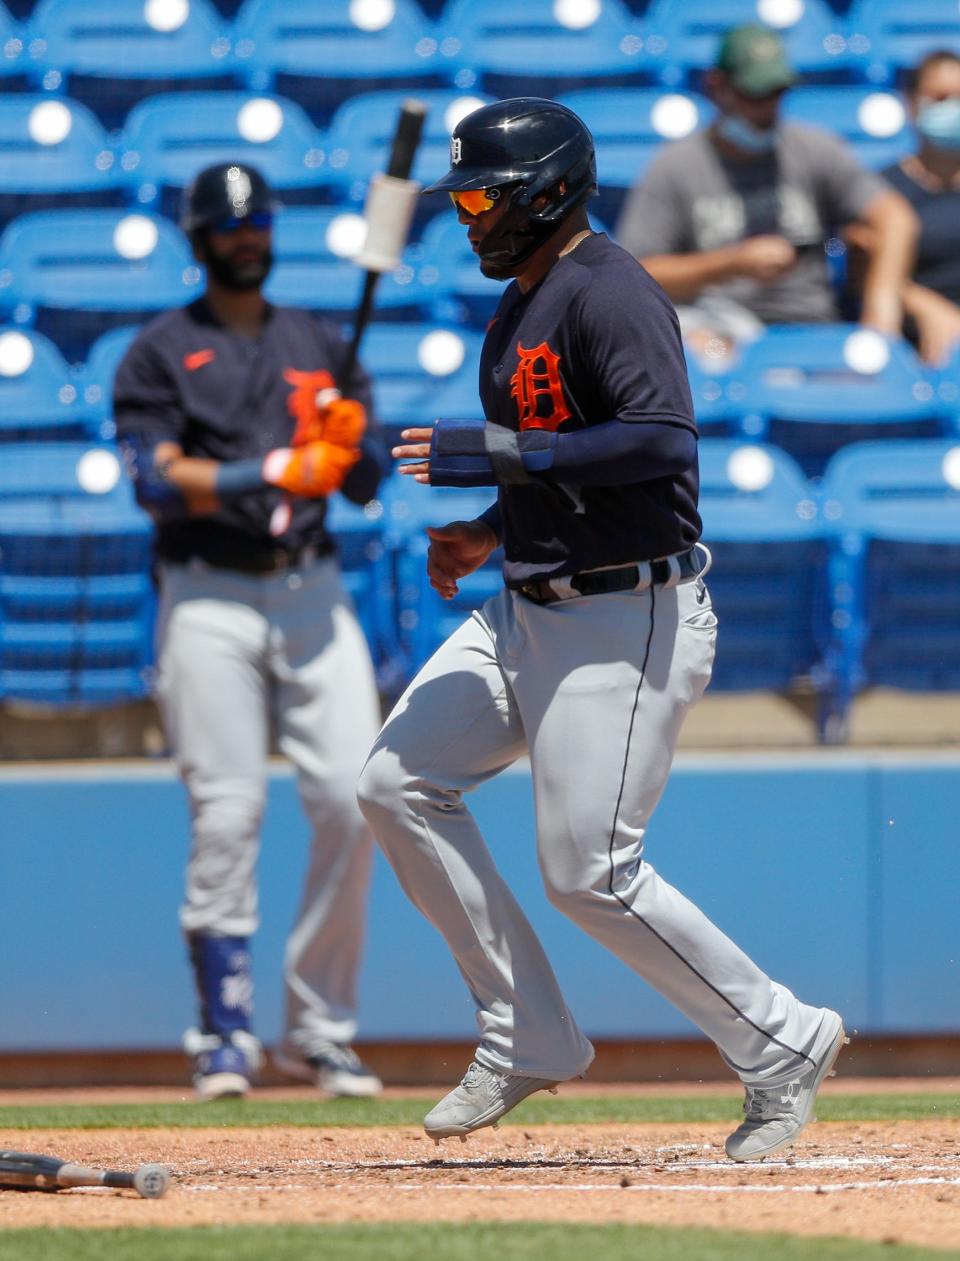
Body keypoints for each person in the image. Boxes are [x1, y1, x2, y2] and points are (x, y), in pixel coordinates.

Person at [357, 98, 846, 1162]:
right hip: (531, 603)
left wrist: (500, 462)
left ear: (543, 193)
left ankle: (783, 1040)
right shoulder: (526, 298)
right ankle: (527, 1032)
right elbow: (558, 448)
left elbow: (660, 442)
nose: (467, 214)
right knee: (395, 781)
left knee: (592, 872)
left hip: (627, 612)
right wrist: (491, 527)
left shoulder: (609, 290)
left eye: (481, 195)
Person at [114, 162, 388, 1101]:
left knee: (358, 799)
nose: (246, 239)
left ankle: (320, 1031)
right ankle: (223, 1033)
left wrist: (349, 441)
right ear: (198, 237)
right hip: (207, 592)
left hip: (310, 588)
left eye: (257, 223)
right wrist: (277, 463)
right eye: (228, 227)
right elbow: (154, 479)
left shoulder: (319, 341)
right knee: (228, 811)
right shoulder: (157, 350)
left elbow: (364, 480)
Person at [615, 24, 918, 357]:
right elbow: (638, 277)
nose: (766, 108)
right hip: (718, 332)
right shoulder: (675, 165)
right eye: (753, 95)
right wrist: (730, 264)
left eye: (776, 93)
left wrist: (881, 310)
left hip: (809, 329)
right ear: (717, 87)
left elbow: (894, 217)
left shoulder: (812, 147)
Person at [849, 49, 960, 365]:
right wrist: (923, 304)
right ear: (911, 103)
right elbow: (861, 267)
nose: (953, 108)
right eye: (940, 98)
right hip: (913, 349)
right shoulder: (880, 191)